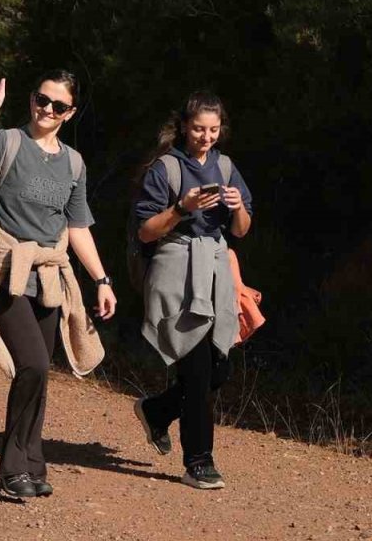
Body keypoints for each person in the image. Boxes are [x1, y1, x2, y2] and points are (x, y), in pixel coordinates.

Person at [0, 67, 117, 499]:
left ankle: (32, 460)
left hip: (49, 275)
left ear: (70, 113)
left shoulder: (73, 163)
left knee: (41, 374)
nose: (47, 109)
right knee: (34, 364)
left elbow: (78, 226)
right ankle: (11, 466)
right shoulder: (7, 141)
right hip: (6, 271)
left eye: (58, 105)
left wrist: (101, 279)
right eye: (41, 100)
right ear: (31, 100)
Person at [132, 91, 253, 490]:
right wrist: (182, 208)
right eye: (199, 128)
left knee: (220, 366)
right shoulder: (165, 168)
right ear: (184, 126)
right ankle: (198, 462)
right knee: (198, 368)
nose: (206, 136)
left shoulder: (226, 165)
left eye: (214, 130)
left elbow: (240, 231)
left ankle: (157, 410)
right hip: (177, 270)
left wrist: (237, 207)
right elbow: (146, 232)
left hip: (216, 270)